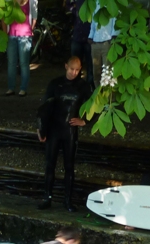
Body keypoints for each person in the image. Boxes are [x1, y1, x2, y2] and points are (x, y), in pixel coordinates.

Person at [37, 57, 92, 212]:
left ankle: (67, 200)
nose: (74, 73)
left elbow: (95, 104)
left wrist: (85, 121)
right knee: (50, 164)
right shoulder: (55, 84)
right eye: (71, 69)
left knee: (69, 166)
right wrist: (40, 128)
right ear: (65, 66)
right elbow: (44, 107)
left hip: (69, 131)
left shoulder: (83, 86)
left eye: (77, 70)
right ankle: (47, 197)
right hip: (54, 128)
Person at [5, 0, 36, 97]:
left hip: (25, 36)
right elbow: (4, 16)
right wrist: (4, 32)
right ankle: (11, 88)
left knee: (24, 63)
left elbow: (34, 17)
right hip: (11, 35)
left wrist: (31, 29)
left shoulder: (32, 1)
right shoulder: (9, 1)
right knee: (11, 63)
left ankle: (23, 88)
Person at [87, 2, 118, 89]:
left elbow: (115, 20)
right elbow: (93, 22)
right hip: (95, 42)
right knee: (96, 71)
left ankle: (109, 96)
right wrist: (90, 36)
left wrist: (113, 37)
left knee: (108, 71)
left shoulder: (111, 3)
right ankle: (98, 94)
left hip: (107, 42)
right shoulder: (95, 2)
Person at [69, 0, 93, 89]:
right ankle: (75, 87)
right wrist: (76, 11)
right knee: (75, 64)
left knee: (90, 65)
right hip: (78, 35)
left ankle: (89, 88)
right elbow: (69, 3)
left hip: (90, 36)